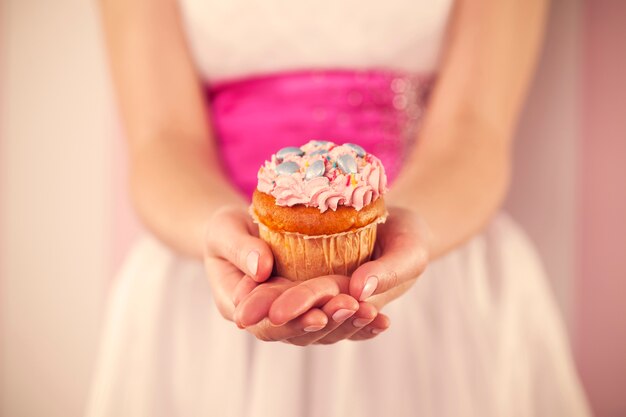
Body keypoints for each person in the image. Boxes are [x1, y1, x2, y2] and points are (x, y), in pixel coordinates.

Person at [87, 0, 590, 416]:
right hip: (208, 284)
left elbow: (474, 130)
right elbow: (160, 142)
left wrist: (408, 226)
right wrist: (217, 230)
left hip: (438, 270)